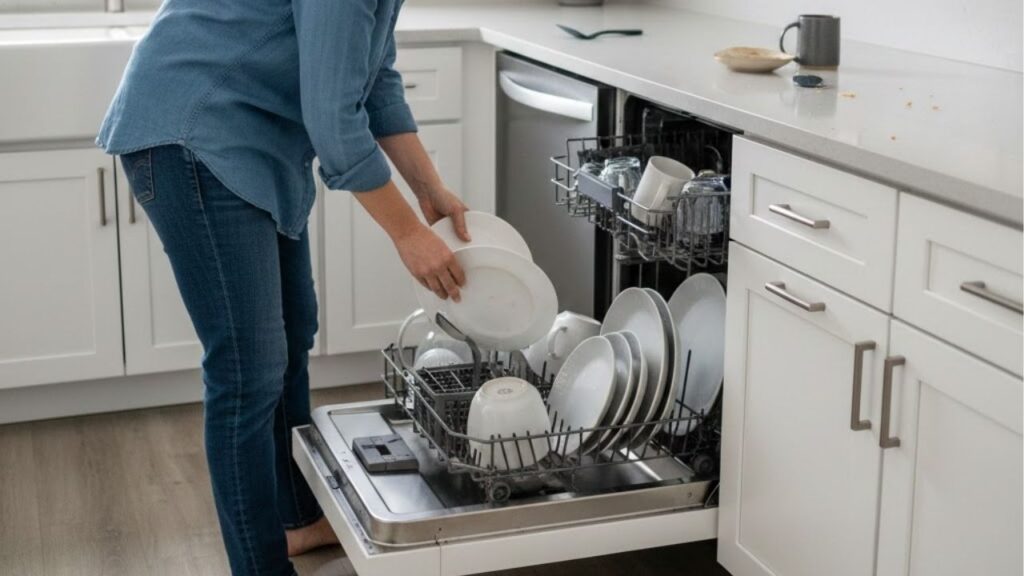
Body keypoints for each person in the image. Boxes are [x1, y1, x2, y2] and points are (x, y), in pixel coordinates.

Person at [96, 0, 468, 573]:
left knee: (291, 338)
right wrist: (408, 234)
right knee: (247, 372)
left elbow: (376, 81)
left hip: (251, 139)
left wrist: (430, 188)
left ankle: (298, 520)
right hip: (194, 132)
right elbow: (336, 123)